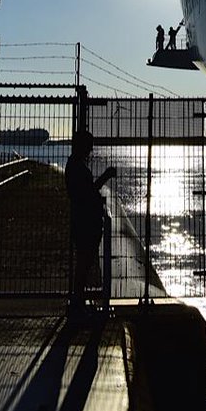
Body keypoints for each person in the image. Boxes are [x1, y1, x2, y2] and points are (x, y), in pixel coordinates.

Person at [64, 130, 115, 316]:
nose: (91, 150)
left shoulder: (74, 165)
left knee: (83, 264)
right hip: (85, 222)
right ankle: (78, 304)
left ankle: (78, 302)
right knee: (84, 264)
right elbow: (87, 192)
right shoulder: (77, 167)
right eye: (89, 146)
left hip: (83, 220)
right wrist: (105, 176)